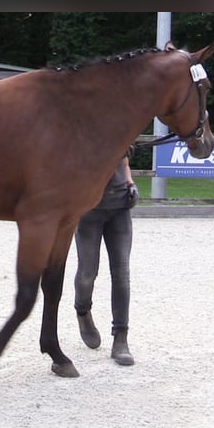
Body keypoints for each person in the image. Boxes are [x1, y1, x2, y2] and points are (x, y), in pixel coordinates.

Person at [73, 152, 139, 365]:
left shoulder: (119, 124)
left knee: (122, 274)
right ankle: (82, 311)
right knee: (87, 274)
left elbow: (124, 159)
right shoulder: (85, 128)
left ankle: (121, 338)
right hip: (89, 209)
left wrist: (129, 181)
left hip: (120, 207)